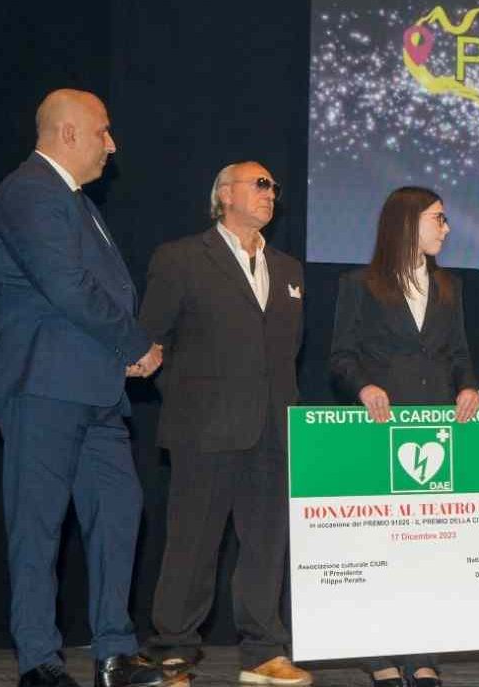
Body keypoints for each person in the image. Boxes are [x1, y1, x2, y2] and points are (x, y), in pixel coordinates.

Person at [0, 89, 169, 687]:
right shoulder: (29, 191)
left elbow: (93, 292)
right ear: (67, 134)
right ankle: (39, 660)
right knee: (38, 525)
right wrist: (134, 343)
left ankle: (114, 654)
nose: (111, 145)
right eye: (103, 132)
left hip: (94, 389)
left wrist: (120, 355)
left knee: (119, 511)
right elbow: (67, 287)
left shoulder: (74, 200)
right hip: (41, 385)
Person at [137, 162, 309, 685]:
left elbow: (286, 355)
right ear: (225, 195)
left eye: (274, 187)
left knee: (266, 546)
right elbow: (151, 341)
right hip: (204, 429)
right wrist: (192, 402)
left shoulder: (288, 269)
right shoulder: (182, 258)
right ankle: (173, 649)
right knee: (193, 543)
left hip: (273, 430)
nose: (270, 193)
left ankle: (263, 652)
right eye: (260, 184)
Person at [328, 186, 479, 687]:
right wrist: (363, 386)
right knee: (379, 547)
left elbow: (459, 354)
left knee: (429, 548)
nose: (447, 228)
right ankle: (379, 654)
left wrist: (469, 387)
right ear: (408, 223)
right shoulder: (359, 284)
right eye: (439, 218)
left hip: (437, 434)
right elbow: (341, 357)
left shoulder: (450, 285)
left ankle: (423, 653)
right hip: (380, 431)